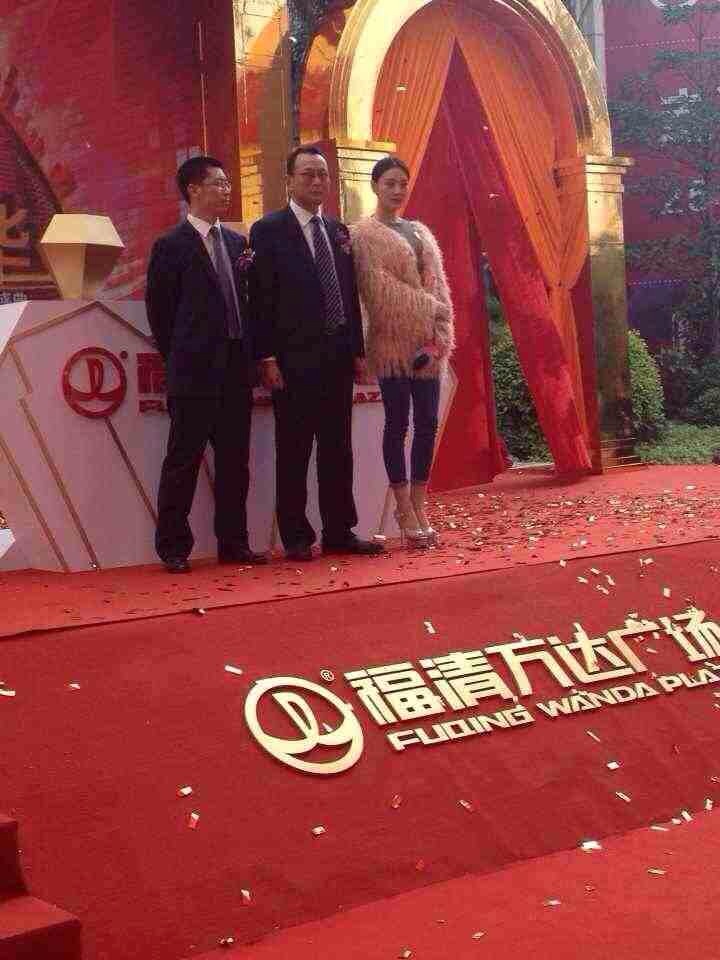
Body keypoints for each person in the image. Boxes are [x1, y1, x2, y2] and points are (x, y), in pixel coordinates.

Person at [248, 145, 384, 562]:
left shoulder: (338, 230)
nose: (317, 181)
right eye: (308, 174)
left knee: (337, 449)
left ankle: (340, 531)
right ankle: (296, 536)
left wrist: (357, 351)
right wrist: (267, 357)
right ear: (289, 180)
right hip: (292, 360)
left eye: (323, 174)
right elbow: (260, 298)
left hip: (337, 357)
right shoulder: (268, 230)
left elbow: (349, 295)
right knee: (294, 450)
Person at [145, 155, 267, 573]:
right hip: (193, 372)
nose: (226, 190)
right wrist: (182, 357)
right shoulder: (170, 246)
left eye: (227, 183)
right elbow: (160, 315)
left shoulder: (236, 244)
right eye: (217, 183)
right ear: (193, 189)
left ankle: (234, 543)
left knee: (235, 463)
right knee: (183, 460)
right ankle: (173, 547)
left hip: (236, 369)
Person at [350, 156, 455, 546]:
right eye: (390, 183)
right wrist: (433, 308)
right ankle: (402, 507)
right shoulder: (363, 235)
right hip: (391, 344)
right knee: (397, 425)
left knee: (427, 424)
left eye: (403, 184)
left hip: (429, 347)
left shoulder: (421, 232)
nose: (397, 190)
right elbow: (380, 292)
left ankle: (420, 503)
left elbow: (440, 287)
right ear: (375, 186)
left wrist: (440, 337)